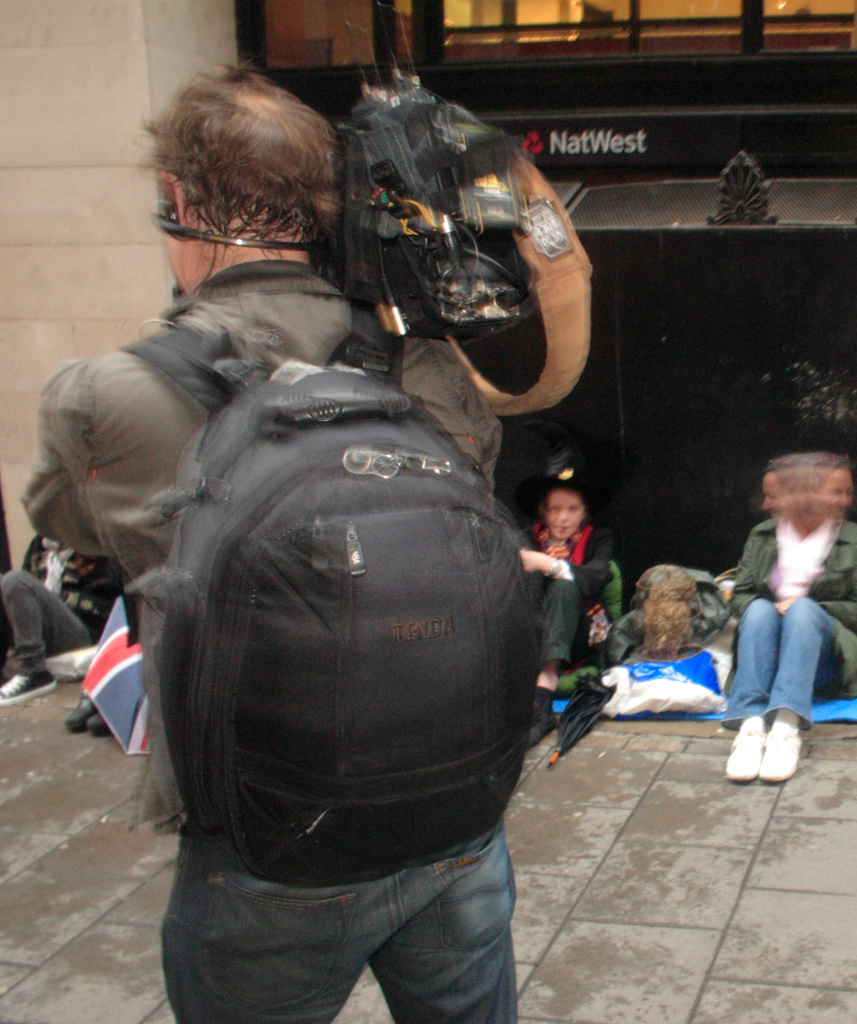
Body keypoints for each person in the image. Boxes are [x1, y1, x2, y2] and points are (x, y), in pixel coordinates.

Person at [21, 69, 546, 1023]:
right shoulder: (419, 359)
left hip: (268, 856)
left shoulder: (109, 394)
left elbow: (65, 528)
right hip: (455, 820)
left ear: (177, 202)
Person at [724, 453, 857, 784]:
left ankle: (785, 728)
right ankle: (750, 727)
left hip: (825, 657)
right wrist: (777, 607)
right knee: (759, 608)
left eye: (847, 492)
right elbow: (739, 596)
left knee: (804, 610)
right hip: (764, 653)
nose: (846, 501)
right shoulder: (763, 535)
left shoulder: (856, 539)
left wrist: (803, 607)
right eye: (837, 492)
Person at [515, 458, 616, 746]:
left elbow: (597, 576)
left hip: (584, 635)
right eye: (555, 509)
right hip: (533, 632)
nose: (562, 518)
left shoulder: (599, 538)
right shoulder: (525, 538)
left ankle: (543, 700)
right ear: (543, 512)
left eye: (572, 509)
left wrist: (548, 564)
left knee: (564, 588)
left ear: (584, 512)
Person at [0, 537, 120, 727]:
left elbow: (106, 602)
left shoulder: (92, 541)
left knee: (16, 579)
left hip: (82, 631)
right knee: (9, 581)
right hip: (42, 628)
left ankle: (34, 670)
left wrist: (53, 600)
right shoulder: (39, 545)